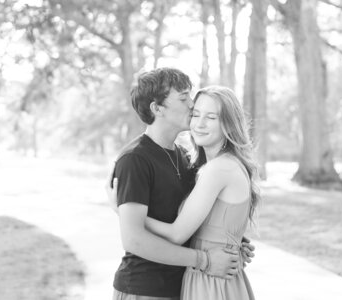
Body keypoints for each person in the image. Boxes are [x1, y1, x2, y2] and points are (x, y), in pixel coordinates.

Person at [109, 68, 254, 300]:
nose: (191, 105)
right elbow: (134, 239)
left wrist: (228, 240)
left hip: (183, 286)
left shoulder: (185, 157)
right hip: (144, 289)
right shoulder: (135, 160)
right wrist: (205, 259)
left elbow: (193, 217)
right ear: (157, 109)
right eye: (184, 98)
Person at [143, 85, 260, 299]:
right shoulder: (216, 165)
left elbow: (176, 234)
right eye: (196, 114)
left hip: (212, 283)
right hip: (212, 277)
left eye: (211, 117)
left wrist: (126, 214)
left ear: (228, 123)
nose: (200, 124)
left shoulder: (219, 168)